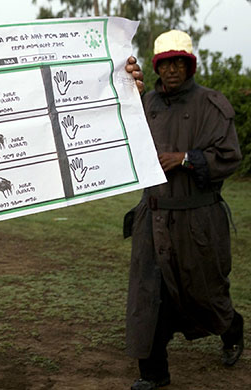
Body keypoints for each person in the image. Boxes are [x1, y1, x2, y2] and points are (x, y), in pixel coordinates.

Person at [123, 30, 244, 390]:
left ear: (189, 66)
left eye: (179, 63)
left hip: (197, 221)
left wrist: (186, 159)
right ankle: (153, 374)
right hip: (153, 217)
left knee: (204, 293)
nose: (172, 70)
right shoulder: (143, 105)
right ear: (157, 67)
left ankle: (232, 329)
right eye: (164, 64)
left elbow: (230, 157)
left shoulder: (212, 104)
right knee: (149, 294)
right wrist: (123, 79)